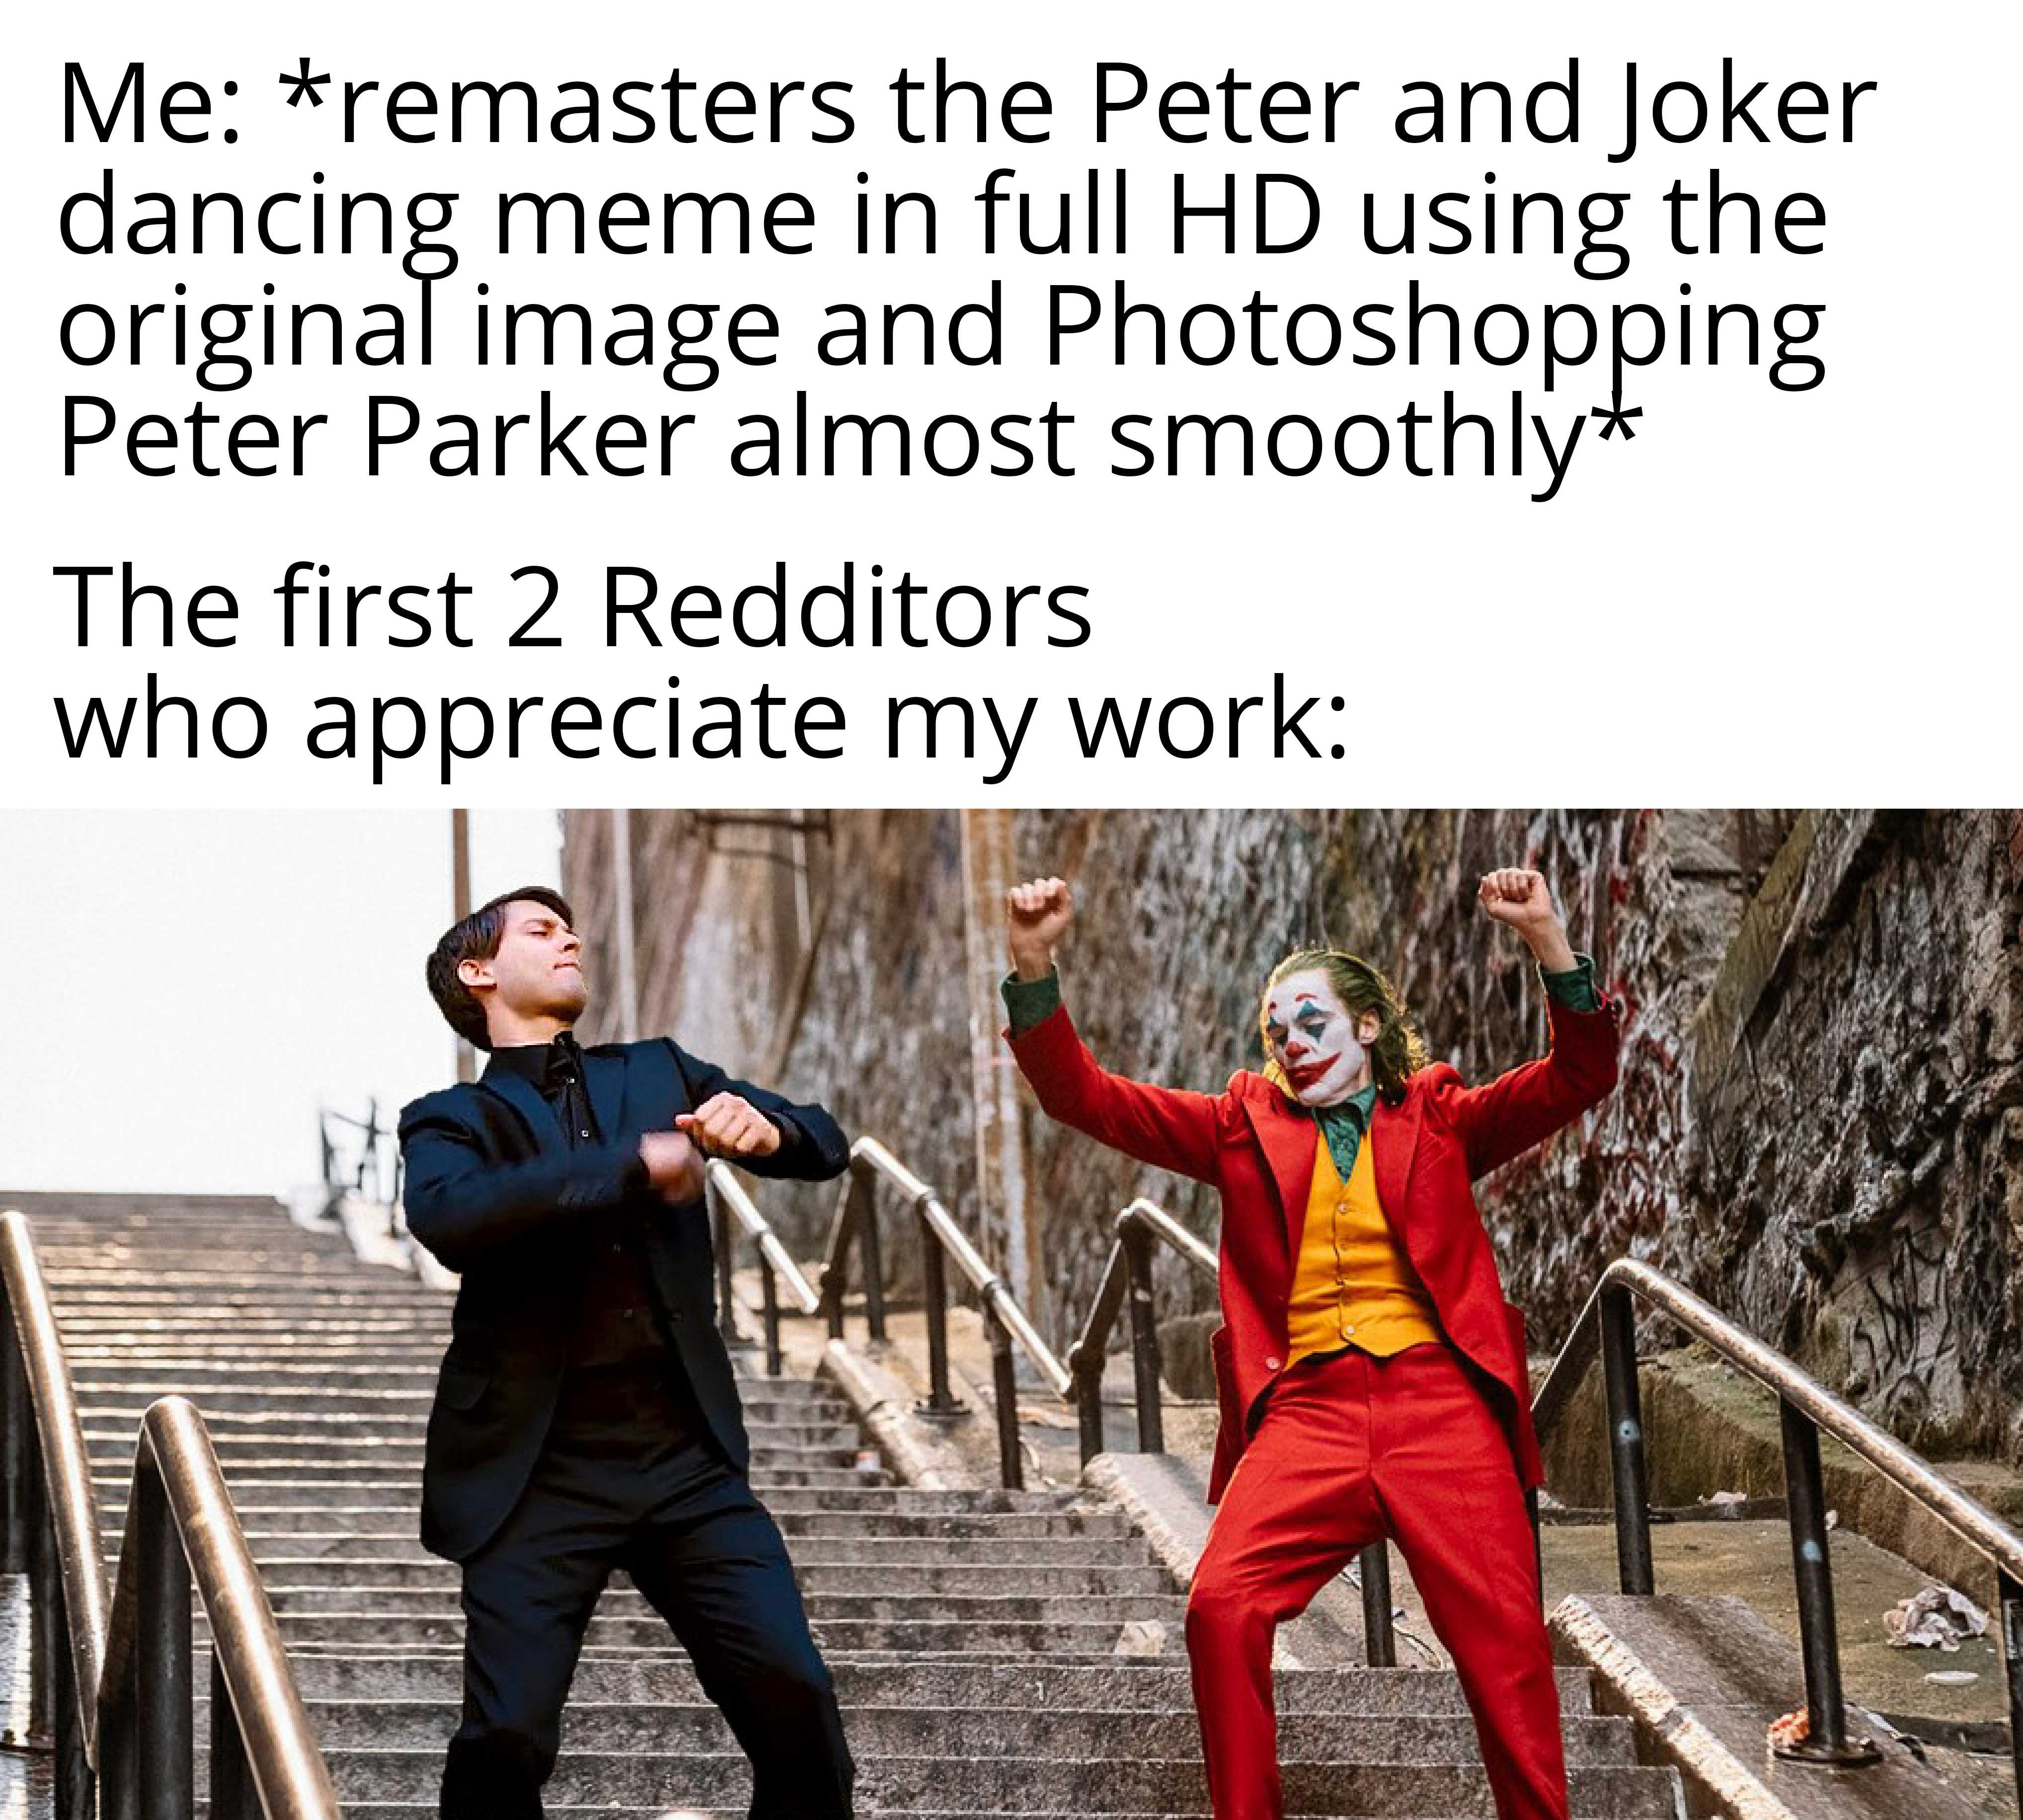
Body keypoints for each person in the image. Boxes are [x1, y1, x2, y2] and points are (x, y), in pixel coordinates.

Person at [1000, 868, 1620, 1820]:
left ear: (1368, 1027)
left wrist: (1548, 941)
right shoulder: (1241, 1125)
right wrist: (1034, 966)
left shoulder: (1443, 1118)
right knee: (1220, 1607)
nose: (1292, 1044)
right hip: (1307, 1414)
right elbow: (1089, 1098)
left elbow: (1580, 1076)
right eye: (1278, 1030)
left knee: (1506, 1647)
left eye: (1312, 1023)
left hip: (1440, 1406)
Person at [397, 885, 856, 1820]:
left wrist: (771, 1131)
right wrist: (630, 1165)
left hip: (684, 1464)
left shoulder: (660, 1070)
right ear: (476, 973)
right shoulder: (449, 1122)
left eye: (571, 928)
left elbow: (826, 1140)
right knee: (506, 1741)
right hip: (534, 1476)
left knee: (797, 1704)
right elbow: (450, 1218)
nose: (572, 938)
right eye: (541, 930)